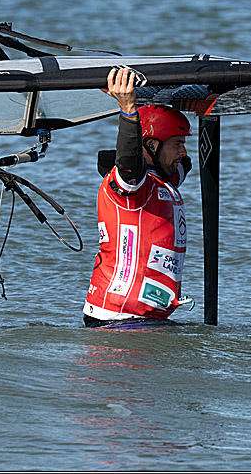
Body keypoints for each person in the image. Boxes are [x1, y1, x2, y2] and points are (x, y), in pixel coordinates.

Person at [83, 67, 194, 327]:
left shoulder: (166, 181)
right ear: (151, 146)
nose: (183, 152)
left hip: (146, 317)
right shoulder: (132, 187)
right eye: (177, 144)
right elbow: (129, 159)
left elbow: (183, 165)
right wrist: (129, 109)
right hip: (118, 317)